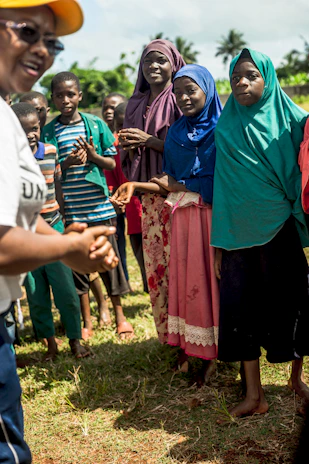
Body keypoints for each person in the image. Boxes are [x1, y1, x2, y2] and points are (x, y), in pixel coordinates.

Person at [0, 1, 118, 462]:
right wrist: (69, 244)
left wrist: (71, 252)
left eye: (52, 41)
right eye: (29, 32)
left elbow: (26, 220)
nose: (43, 51)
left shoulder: (9, 116)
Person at [211, 48, 309, 419]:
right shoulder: (226, 124)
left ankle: (297, 380)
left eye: (250, 75)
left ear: (267, 79)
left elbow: (302, 175)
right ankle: (254, 395)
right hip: (236, 235)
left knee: (294, 305)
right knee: (241, 313)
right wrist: (219, 241)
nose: (241, 82)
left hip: (278, 229)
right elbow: (223, 185)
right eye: (236, 76)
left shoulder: (295, 120)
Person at [113, 65, 221, 377]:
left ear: (208, 90)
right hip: (183, 220)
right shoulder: (175, 132)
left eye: (191, 90)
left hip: (214, 218)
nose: (184, 98)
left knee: (212, 283)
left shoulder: (223, 129)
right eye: (178, 92)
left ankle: (217, 352)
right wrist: (143, 185)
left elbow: (219, 181)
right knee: (191, 285)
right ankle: (197, 349)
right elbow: (171, 179)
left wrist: (186, 186)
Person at [42, 72, 134, 339]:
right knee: (78, 269)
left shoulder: (94, 124)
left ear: (80, 96)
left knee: (109, 262)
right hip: (70, 209)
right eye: (59, 95)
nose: (66, 100)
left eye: (71, 94)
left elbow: (112, 163)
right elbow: (50, 171)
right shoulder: (50, 131)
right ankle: (88, 322)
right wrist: (68, 162)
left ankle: (120, 316)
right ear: (54, 98)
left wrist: (93, 156)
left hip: (99, 208)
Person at [117, 40, 185, 343]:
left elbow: (188, 147)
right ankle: (168, 337)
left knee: (182, 267)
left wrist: (150, 141)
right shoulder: (136, 102)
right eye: (147, 62)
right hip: (148, 197)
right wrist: (129, 147)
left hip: (179, 195)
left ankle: (190, 334)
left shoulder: (181, 98)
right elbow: (127, 153)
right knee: (158, 270)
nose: (153, 67)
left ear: (173, 63)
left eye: (160, 60)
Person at [12, 102, 89, 361]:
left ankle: (75, 341)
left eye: (34, 129)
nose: (30, 135)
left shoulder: (52, 152)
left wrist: (64, 222)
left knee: (66, 288)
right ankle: (50, 344)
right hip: (26, 233)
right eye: (23, 131)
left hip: (54, 225)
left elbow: (57, 184)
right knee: (36, 292)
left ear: (40, 127)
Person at [109, 102, 148, 293]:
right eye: (119, 128)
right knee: (139, 250)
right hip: (132, 211)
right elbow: (114, 179)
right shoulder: (116, 151)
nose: (124, 132)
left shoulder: (149, 149)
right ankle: (148, 287)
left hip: (151, 209)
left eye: (128, 126)